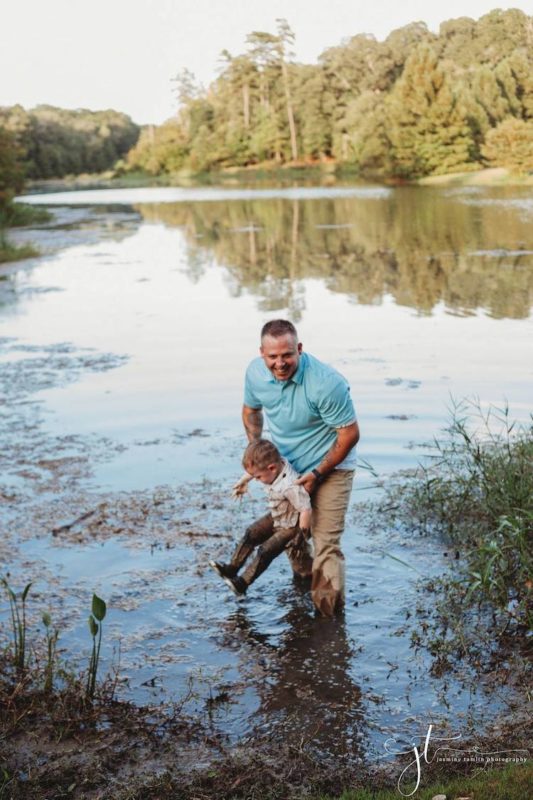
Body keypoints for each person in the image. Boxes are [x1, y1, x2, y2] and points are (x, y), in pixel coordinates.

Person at [236, 319, 360, 616]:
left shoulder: (325, 383)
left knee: (326, 543)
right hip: (285, 467)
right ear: (262, 354)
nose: (280, 363)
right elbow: (251, 411)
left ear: (299, 349)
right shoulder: (255, 373)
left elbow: (349, 435)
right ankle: (303, 581)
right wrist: (257, 450)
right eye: (273, 357)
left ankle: (328, 624)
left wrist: (317, 475)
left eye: (287, 355)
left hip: (331, 465)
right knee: (289, 531)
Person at [209, 439, 312, 596]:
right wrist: (244, 480)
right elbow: (257, 469)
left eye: (257, 477)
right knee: (252, 532)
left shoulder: (290, 485)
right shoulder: (274, 466)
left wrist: (302, 535)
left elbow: (305, 509)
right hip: (278, 515)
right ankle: (232, 568)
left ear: (272, 468)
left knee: (266, 550)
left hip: (291, 525)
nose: (256, 480)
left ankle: (242, 583)